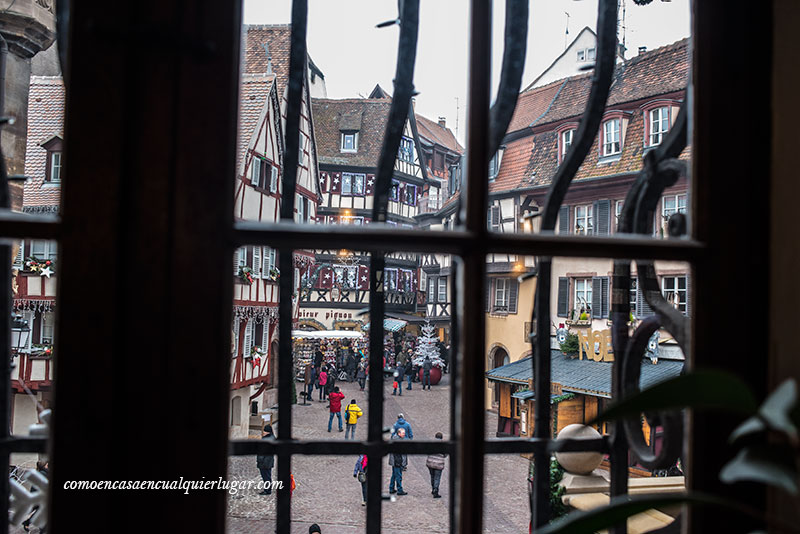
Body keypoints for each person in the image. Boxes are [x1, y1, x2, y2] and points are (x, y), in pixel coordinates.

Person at [256, 424, 276, 495]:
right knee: (268, 476)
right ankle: (268, 489)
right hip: (269, 461)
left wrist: (259, 461)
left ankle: (267, 490)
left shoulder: (265, 440)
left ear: (268, 432)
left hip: (264, 462)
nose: (263, 432)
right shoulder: (273, 438)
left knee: (265, 477)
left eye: (264, 431)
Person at [426, 432, 447, 498]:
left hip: (430, 463)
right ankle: (435, 490)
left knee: (432, 476)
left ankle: (433, 489)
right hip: (438, 463)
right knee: (437, 478)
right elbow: (445, 454)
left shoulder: (431, 444)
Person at [388, 427, 408, 495]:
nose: (404, 434)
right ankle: (399, 490)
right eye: (403, 433)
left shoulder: (395, 438)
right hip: (397, 461)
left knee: (394, 475)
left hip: (395, 461)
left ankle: (391, 488)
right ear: (399, 433)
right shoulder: (398, 441)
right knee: (398, 476)